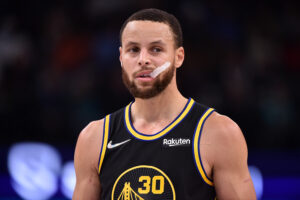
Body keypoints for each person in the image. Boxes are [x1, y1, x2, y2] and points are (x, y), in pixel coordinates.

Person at [73, 8, 256, 200]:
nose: (143, 60)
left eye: (156, 49)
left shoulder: (219, 133)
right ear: (121, 57)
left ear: (179, 57)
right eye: (133, 50)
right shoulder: (94, 138)